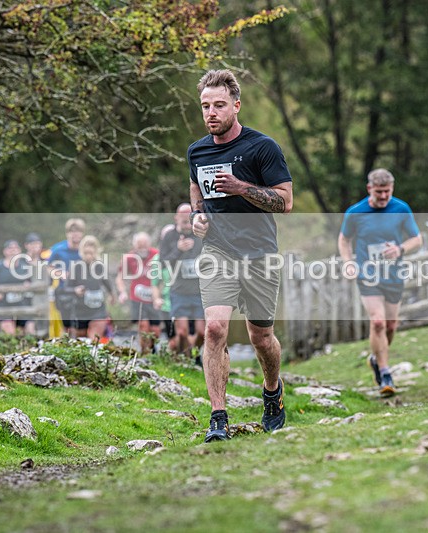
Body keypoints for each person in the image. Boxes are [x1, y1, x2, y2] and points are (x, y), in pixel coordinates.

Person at [187, 69, 293, 442]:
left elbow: (285, 201)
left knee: (261, 337)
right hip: (217, 251)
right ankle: (218, 416)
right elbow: (196, 197)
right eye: (204, 106)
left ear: (236, 105)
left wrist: (241, 187)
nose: (211, 113)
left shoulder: (262, 147)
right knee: (215, 328)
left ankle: (272, 392)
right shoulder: (196, 151)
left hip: (260, 254)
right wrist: (196, 219)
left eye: (218, 105)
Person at [338, 168, 422, 398]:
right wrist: (348, 262)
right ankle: (385, 374)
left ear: (392, 189)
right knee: (377, 323)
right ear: (369, 189)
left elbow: (417, 238)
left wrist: (400, 248)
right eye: (379, 192)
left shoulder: (401, 208)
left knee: (391, 326)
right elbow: (344, 239)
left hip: (394, 275)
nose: (384, 196)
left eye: (387, 191)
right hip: (368, 275)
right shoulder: (355, 212)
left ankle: (376, 359)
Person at [159, 203, 205, 361]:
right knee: (182, 333)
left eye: (189, 217)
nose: (186, 221)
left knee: (202, 333)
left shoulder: (201, 232)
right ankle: (187, 361)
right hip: (179, 292)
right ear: (176, 218)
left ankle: (192, 354)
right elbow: (162, 263)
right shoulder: (169, 236)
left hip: (200, 292)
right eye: (183, 218)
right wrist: (178, 249)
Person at [55, 235, 114, 339]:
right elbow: (65, 289)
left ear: (96, 252)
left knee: (94, 339)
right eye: (86, 253)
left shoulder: (100, 267)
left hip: (98, 310)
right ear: (82, 252)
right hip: (80, 310)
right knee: (82, 341)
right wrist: (75, 290)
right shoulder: (76, 267)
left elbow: (108, 284)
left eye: (91, 253)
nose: (88, 256)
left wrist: (112, 296)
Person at [115, 232, 161, 354]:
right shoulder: (129, 258)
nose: (142, 248)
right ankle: (145, 354)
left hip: (154, 298)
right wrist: (122, 292)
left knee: (155, 331)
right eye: (139, 245)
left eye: (145, 245)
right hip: (137, 299)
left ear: (149, 244)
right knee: (143, 326)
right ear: (134, 246)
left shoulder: (156, 255)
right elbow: (120, 277)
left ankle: (152, 348)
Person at [0, 239, 35, 336]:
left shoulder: (25, 265)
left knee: (30, 332)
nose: (13, 250)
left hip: (22, 304)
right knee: (10, 336)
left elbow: (33, 281)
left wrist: (28, 285)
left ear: (20, 251)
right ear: (5, 251)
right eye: (10, 248)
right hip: (4, 305)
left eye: (16, 248)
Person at [47, 218, 86, 336]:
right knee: (68, 325)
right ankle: (69, 346)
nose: (75, 234)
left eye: (78, 231)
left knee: (83, 325)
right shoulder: (58, 250)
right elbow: (48, 268)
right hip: (64, 291)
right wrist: (60, 273)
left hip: (83, 290)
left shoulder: (86, 249)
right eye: (72, 231)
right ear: (67, 233)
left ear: (82, 233)